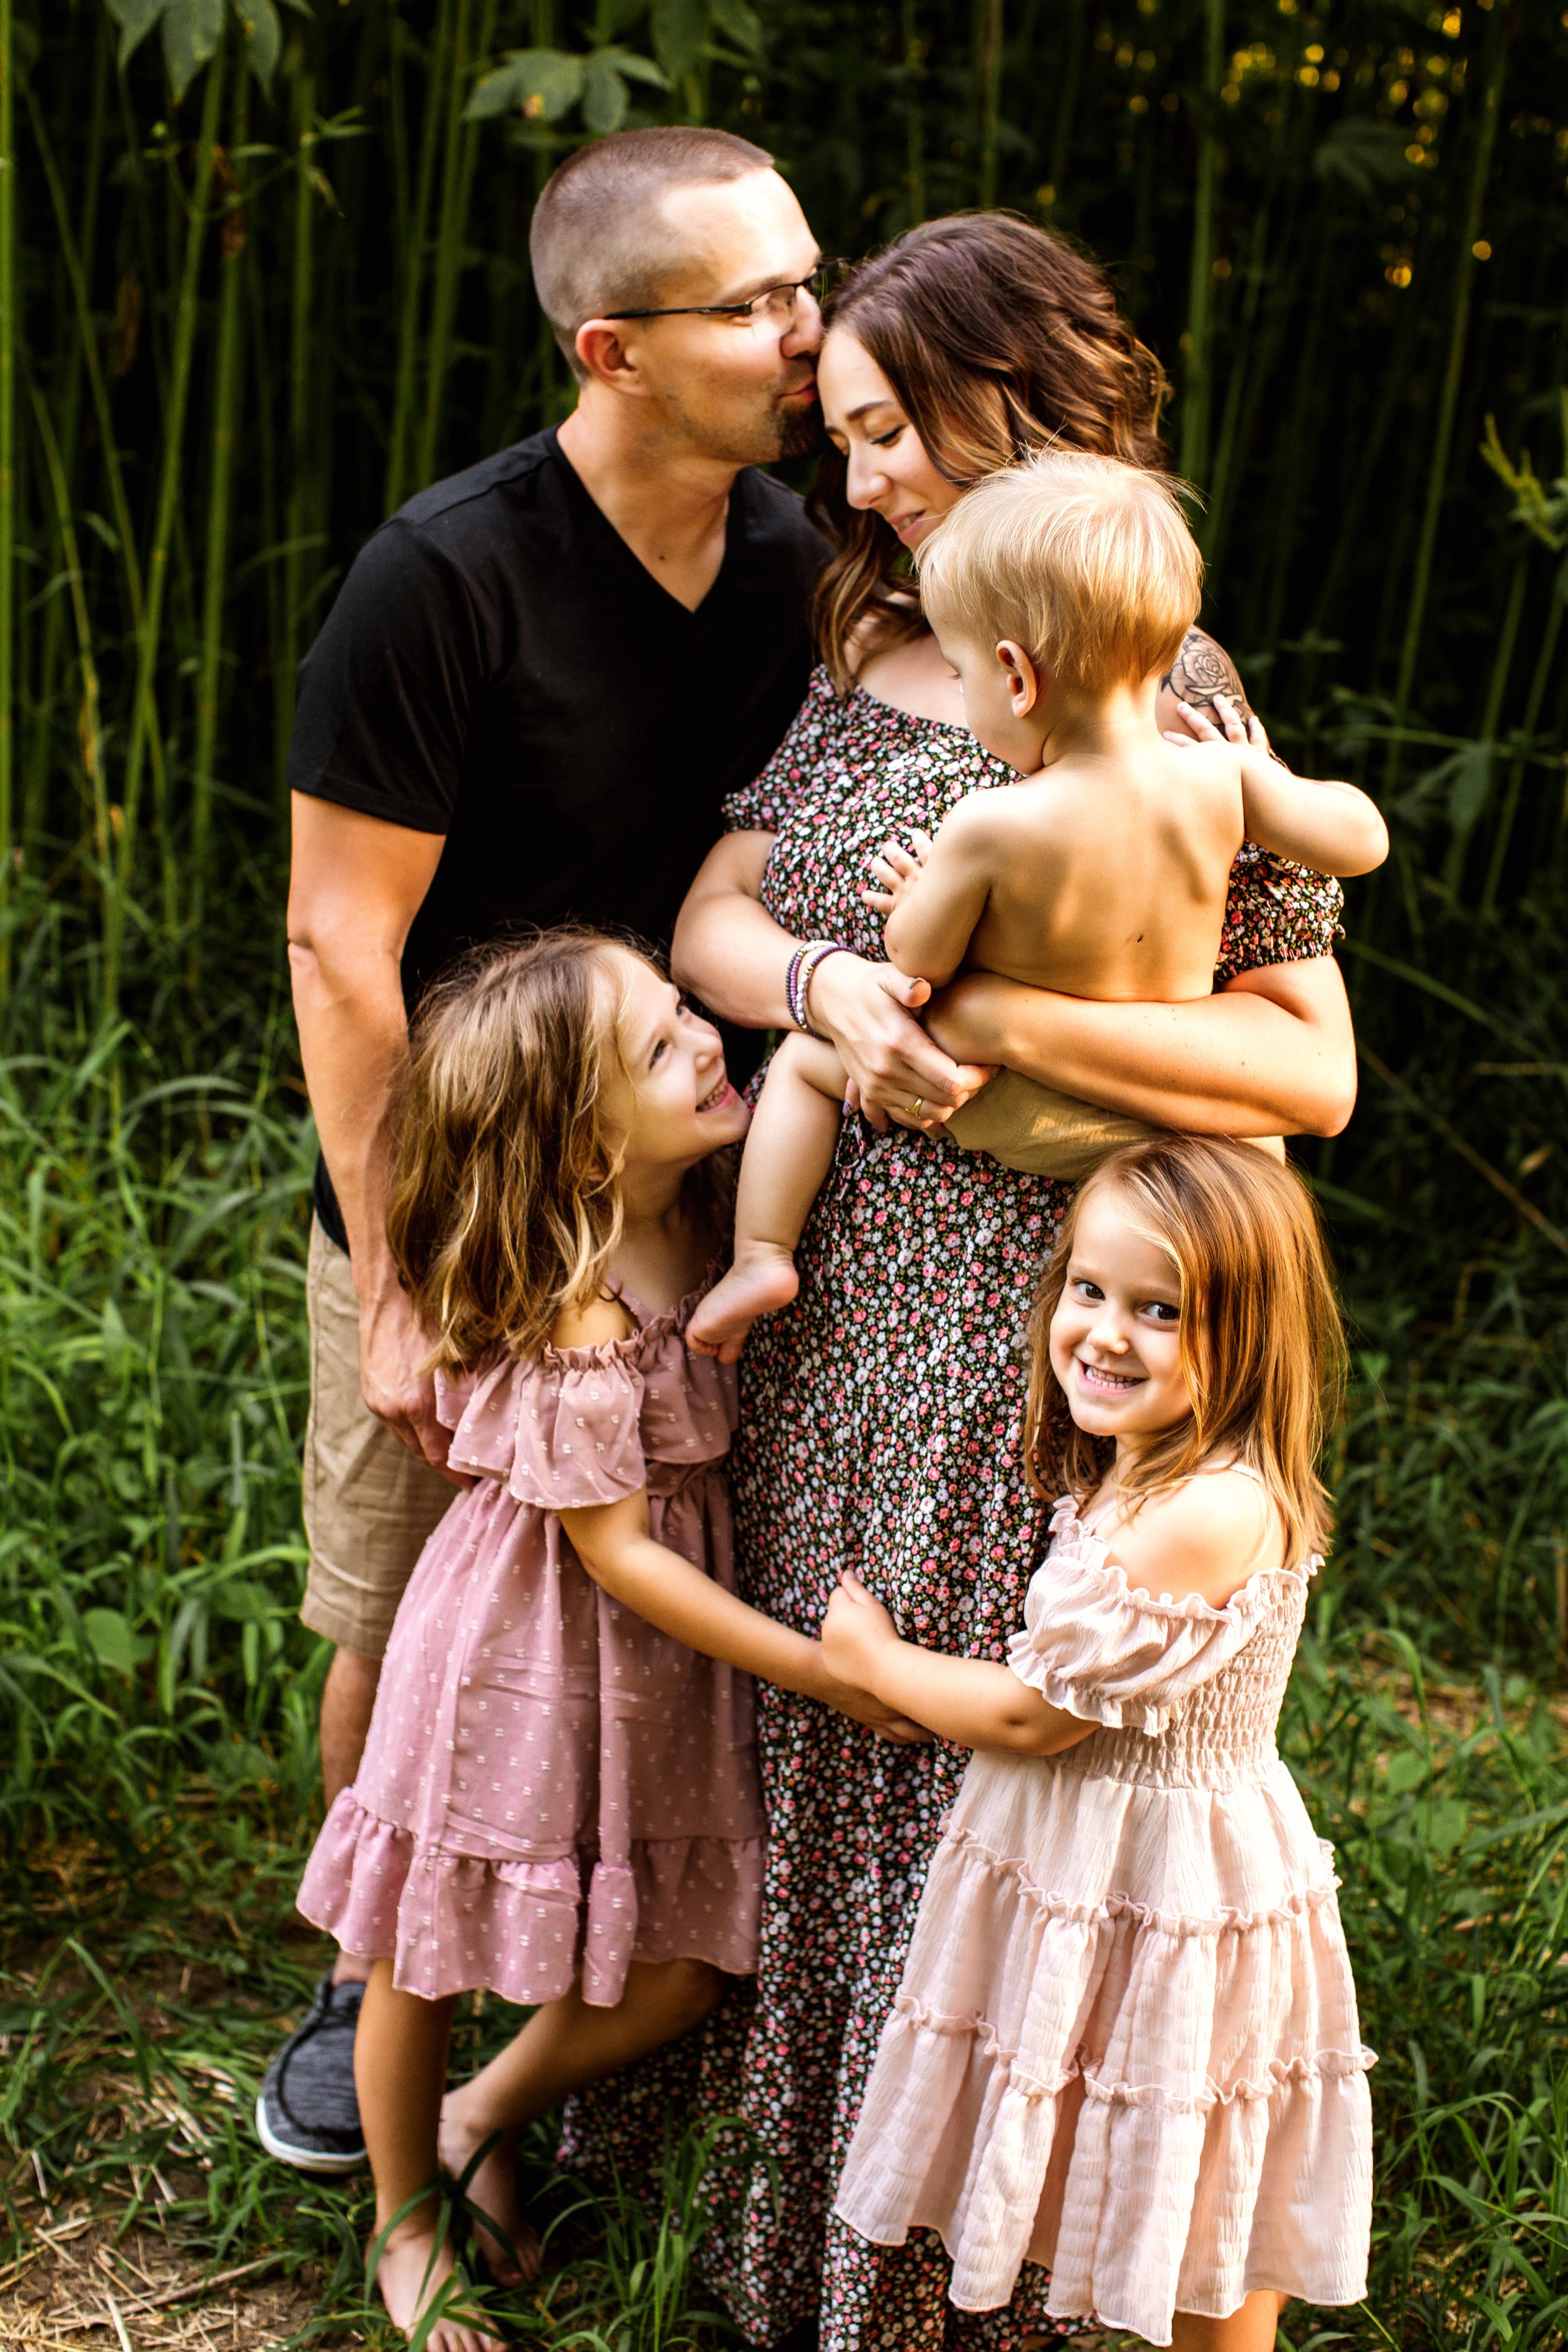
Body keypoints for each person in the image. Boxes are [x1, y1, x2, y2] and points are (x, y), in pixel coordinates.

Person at [638, 214, 1362, 2352]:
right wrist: (827, 988)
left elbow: (1304, 1071)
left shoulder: (1170, 691)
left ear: (1004, 402)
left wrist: (1009, 1031)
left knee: (990, 1737)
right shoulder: (862, 653)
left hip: (1060, 1298)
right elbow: (709, 919)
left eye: (886, 431)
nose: (854, 482)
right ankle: (801, 2223)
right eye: (839, 438)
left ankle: (997, 2267)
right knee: (831, 1725)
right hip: (843, 1286)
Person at [263, 122, 830, 2171]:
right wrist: (405, 1284)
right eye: (755, 302)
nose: (806, 331)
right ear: (612, 348)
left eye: (807, 276)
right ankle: (360, 1980)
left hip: (680, 1166)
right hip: (456, 1189)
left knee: (640, 1582)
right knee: (408, 1597)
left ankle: (599, 1966)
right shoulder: (448, 575)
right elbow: (345, 949)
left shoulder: (799, 553)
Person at [294, 930, 925, 2352]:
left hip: (658, 1669)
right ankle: (405, 2222)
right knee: (420, 1949)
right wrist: (820, 1668)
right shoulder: (581, 1292)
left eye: (680, 1009)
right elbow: (616, 1552)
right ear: (581, 1153)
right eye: (657, 1046)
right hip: (516, 1653)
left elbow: (823, 1055)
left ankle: (485, 2110)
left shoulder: (717, 1191)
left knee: (690, 1963)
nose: (706, 1040)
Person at [824, 1134, 1375, 2351]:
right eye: (1086, 1289)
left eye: (1158, 1310)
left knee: (1193, 2187)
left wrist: (870, 1664)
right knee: (1138, 2148)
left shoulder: (1209, 1507)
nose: (1103, 1334)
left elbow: (1034, 1714)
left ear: (1248, 1332)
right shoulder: (1150, 1468)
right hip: (1101, 1865)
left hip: (1164, 1882)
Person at [689, 451, 1386, 1360]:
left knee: (810, 1063)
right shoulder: (1224, 777)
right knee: (1258, 1152)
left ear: (1018, 677)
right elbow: (1361, 839)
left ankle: (760, 1256)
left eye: (966, 672)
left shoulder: (990, 826)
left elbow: (918, 969)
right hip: (1174, 1120)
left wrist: (917, 894)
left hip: (1019, 1107)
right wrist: (1276, 779)